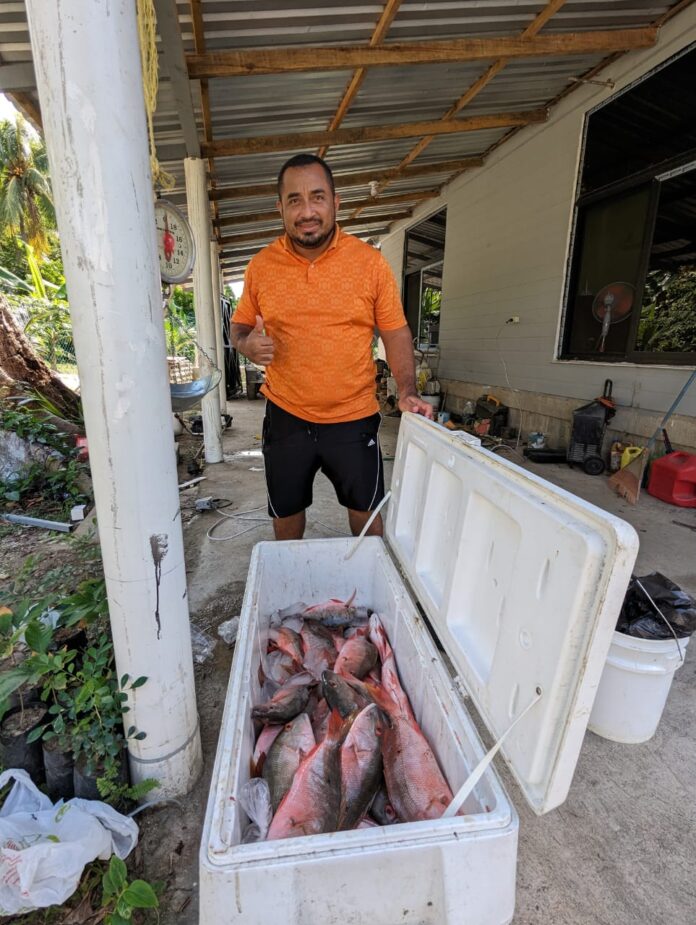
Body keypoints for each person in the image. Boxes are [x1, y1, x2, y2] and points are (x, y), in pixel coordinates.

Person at [231, 153, 433, 541]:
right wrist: (245, 344)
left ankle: (370, 585)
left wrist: (406, 391)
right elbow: (240, 324)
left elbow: (395, 331)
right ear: (280, 208)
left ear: (336, 202)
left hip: (354, 416)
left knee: (368, 516)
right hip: (286, 414)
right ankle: (293, 581)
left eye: (317, 197)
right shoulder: (261, 266)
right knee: (286, 516)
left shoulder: (370, 264)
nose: (307, 211)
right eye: (295, 200)